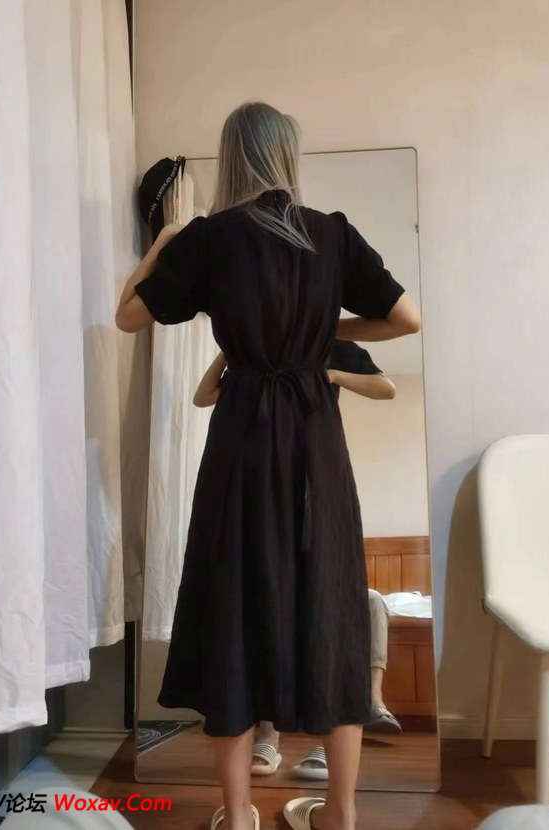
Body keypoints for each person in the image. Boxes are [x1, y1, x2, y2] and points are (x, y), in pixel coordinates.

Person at [116, 101, 421, 830]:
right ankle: (340, 813)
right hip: (316, 439)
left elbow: (129, 314)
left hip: (243, 439)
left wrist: (165, 240)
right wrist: (319, 335)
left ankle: (239, 813)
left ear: (232, 156)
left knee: (232, 607)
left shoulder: (211, 238)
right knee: (332, 605)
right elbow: (406, 319)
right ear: (289, 154)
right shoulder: (332, 233)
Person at [192, 346, 402, 783]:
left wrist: (332, 376)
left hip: (314, 480)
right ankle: (268, 732)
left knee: (327, 613)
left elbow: (386, 387)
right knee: (265, 609)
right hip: (258, 489)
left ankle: (344, 721)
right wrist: (231, 347)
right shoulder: (254, 353)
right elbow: (203, 396)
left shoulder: (331, 345)